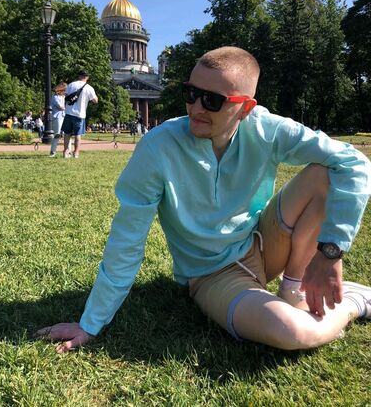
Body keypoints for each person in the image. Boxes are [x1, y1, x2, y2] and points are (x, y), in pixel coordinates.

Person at [36, 47, 371, 354]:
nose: (196, 108)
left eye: (212, 100)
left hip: (263, 243)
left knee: (325, 172)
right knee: (294, 331)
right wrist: (90, 323)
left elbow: (354, 163)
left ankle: (293, 287)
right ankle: (356, 302)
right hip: (213, 276)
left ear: (245, 108)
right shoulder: (159, 148)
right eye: (191, 93)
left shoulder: (266, 128)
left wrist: (331, 251)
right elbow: (127, 240)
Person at [62, 70, 98, 159]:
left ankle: (66, 151)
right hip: (80, 114)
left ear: (79, 76)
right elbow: (95, 100)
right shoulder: (89, 88)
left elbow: (65, 96)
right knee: (78, 134)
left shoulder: (71, 85)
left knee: (67, 133)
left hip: (69, 112)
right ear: (87, 77)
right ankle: (76, 152)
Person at [49, 82, 67, 157]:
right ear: (61, 89)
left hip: (64, 116)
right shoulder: (55, 97)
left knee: (67, 134)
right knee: (57, 134)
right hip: (57, 117)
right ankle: (53, 151)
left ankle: (67, 151)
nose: (66, 91)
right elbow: (60, 107)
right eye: (65, 90)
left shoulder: (64, 97)